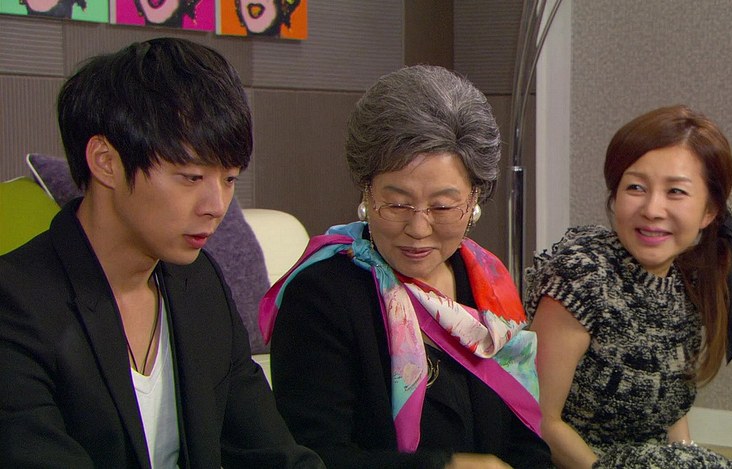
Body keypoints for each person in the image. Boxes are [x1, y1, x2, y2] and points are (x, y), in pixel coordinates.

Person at [0, 38, 325, 468]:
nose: (216, 206)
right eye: (191, 177)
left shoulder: (199, 282)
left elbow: (272, 451)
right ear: (105, 161)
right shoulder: (15, 302)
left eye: (229, 179)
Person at [259, 65, 553, 469]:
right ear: (366, 191)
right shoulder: (320, 296)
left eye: (443, 207)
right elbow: (314, 457)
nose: (418, 228)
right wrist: (445, 467)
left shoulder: (488, 282)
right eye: (397, 204)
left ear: (474, 199)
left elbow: (526, 438)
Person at [525, 105, 732, 468]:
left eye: (676, 191)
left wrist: (688, 459)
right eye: (636, 188)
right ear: (615, 196)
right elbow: (541, 421)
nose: (652, 209)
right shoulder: (581, 276)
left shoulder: (687, 281)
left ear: (710, 211)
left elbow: (671, 413)